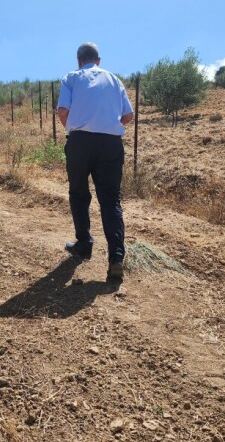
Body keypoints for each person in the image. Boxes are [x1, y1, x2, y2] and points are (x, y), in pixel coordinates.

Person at [57, 42, 134, 283]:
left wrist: (73, 130)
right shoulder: (114, 80)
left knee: (79, 193)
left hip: (80, 142)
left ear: (79, 60)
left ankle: (84, 244)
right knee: (111, 200)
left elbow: (62, 111)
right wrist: (109, 125)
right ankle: (116, 259)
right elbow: (128, 115)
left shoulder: (71, 78)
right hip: (110, 143)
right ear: (98, 59)